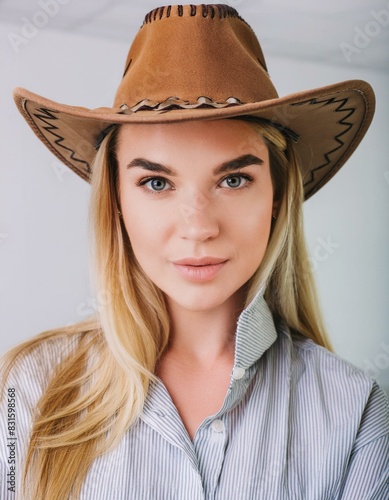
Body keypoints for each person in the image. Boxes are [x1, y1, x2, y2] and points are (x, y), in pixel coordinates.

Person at [1, 4, 388, 499]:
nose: (198, 226)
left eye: (233, 179)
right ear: (116, 200)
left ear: (275, 197)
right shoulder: (25, 389)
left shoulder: (354, 412)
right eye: (157, 182)